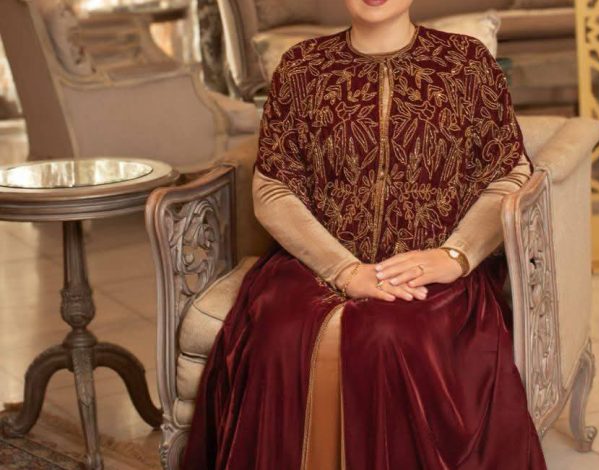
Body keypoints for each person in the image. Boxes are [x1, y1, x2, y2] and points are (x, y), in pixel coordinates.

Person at [180, 0, 547, 468]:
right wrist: (345, 270)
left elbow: (508, 176)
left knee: (388, 334)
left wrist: (455, 256)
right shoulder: (302, 67)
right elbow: (273, 187)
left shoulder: (466, 63)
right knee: (281, 334)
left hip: (429, 271)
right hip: (313, 264)